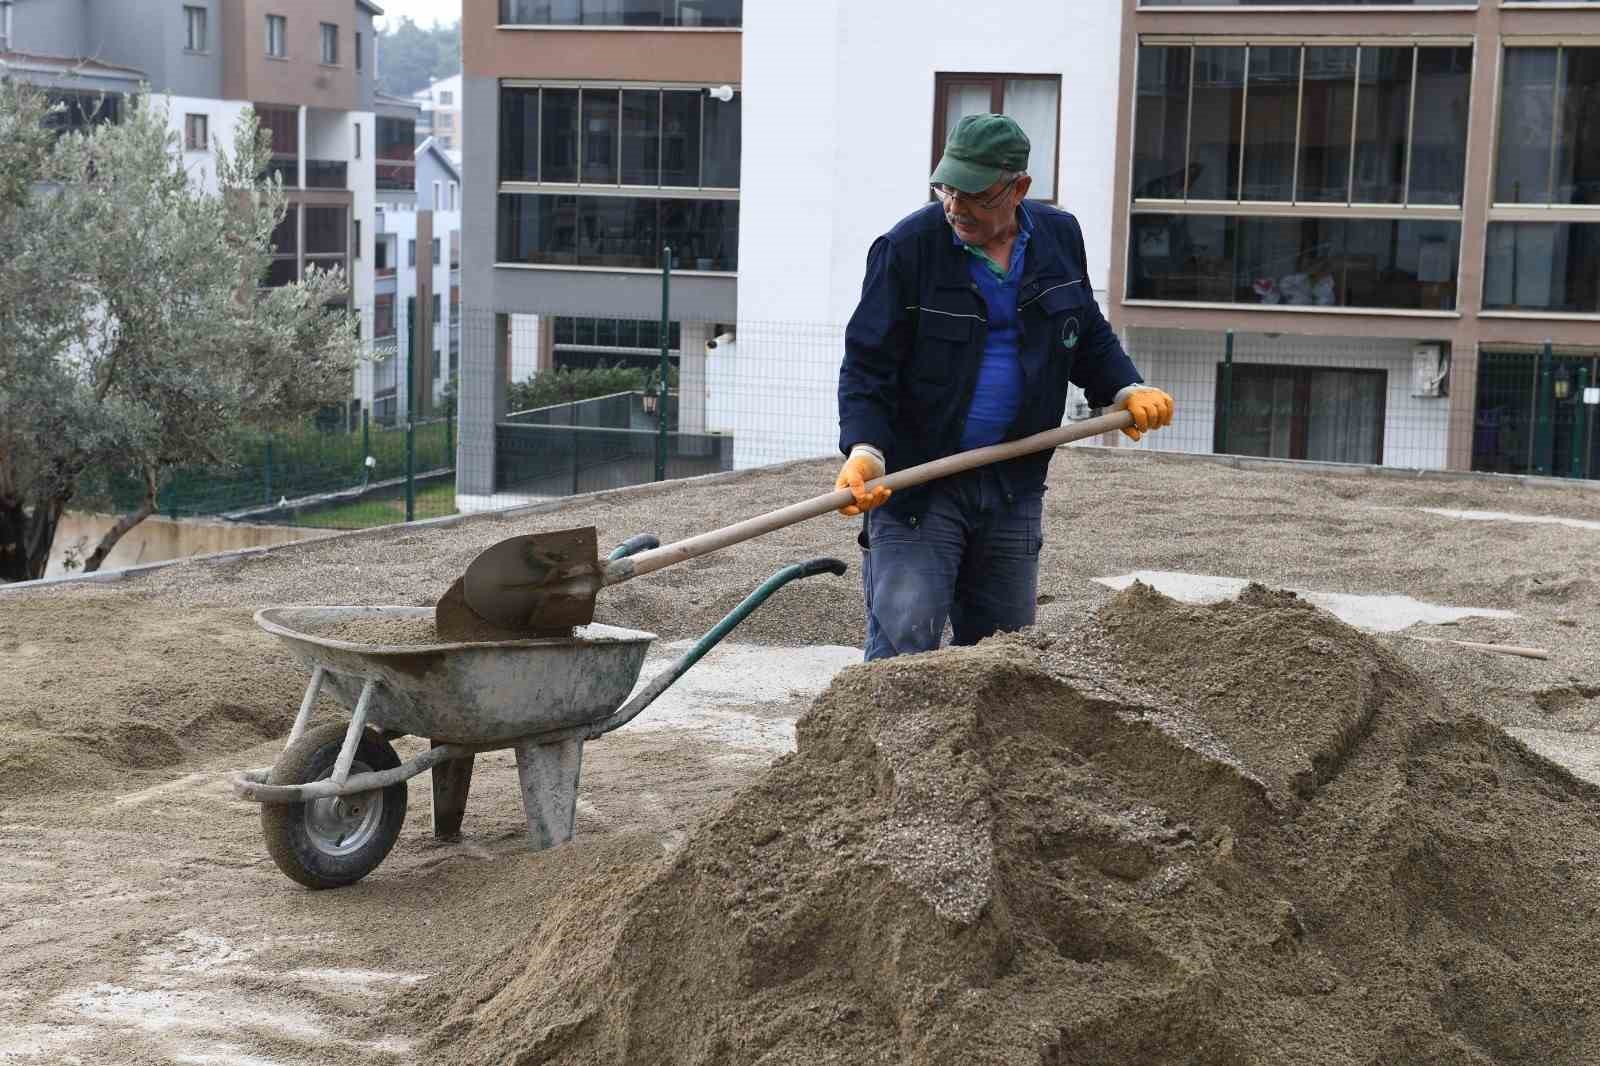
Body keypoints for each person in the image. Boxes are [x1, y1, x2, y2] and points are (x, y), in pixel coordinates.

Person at [835, 113, 1174, 661]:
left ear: (1018, 188)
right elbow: (867, 365)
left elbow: (1082, 330)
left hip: (1013, 482)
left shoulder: (1059, 238)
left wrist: (1124, 388)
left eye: (974, 194)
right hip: (921, 485)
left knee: (1004, 658)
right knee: (904, 650)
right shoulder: (907, 249)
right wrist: (866, 450)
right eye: (946, 189)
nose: (955, 207)